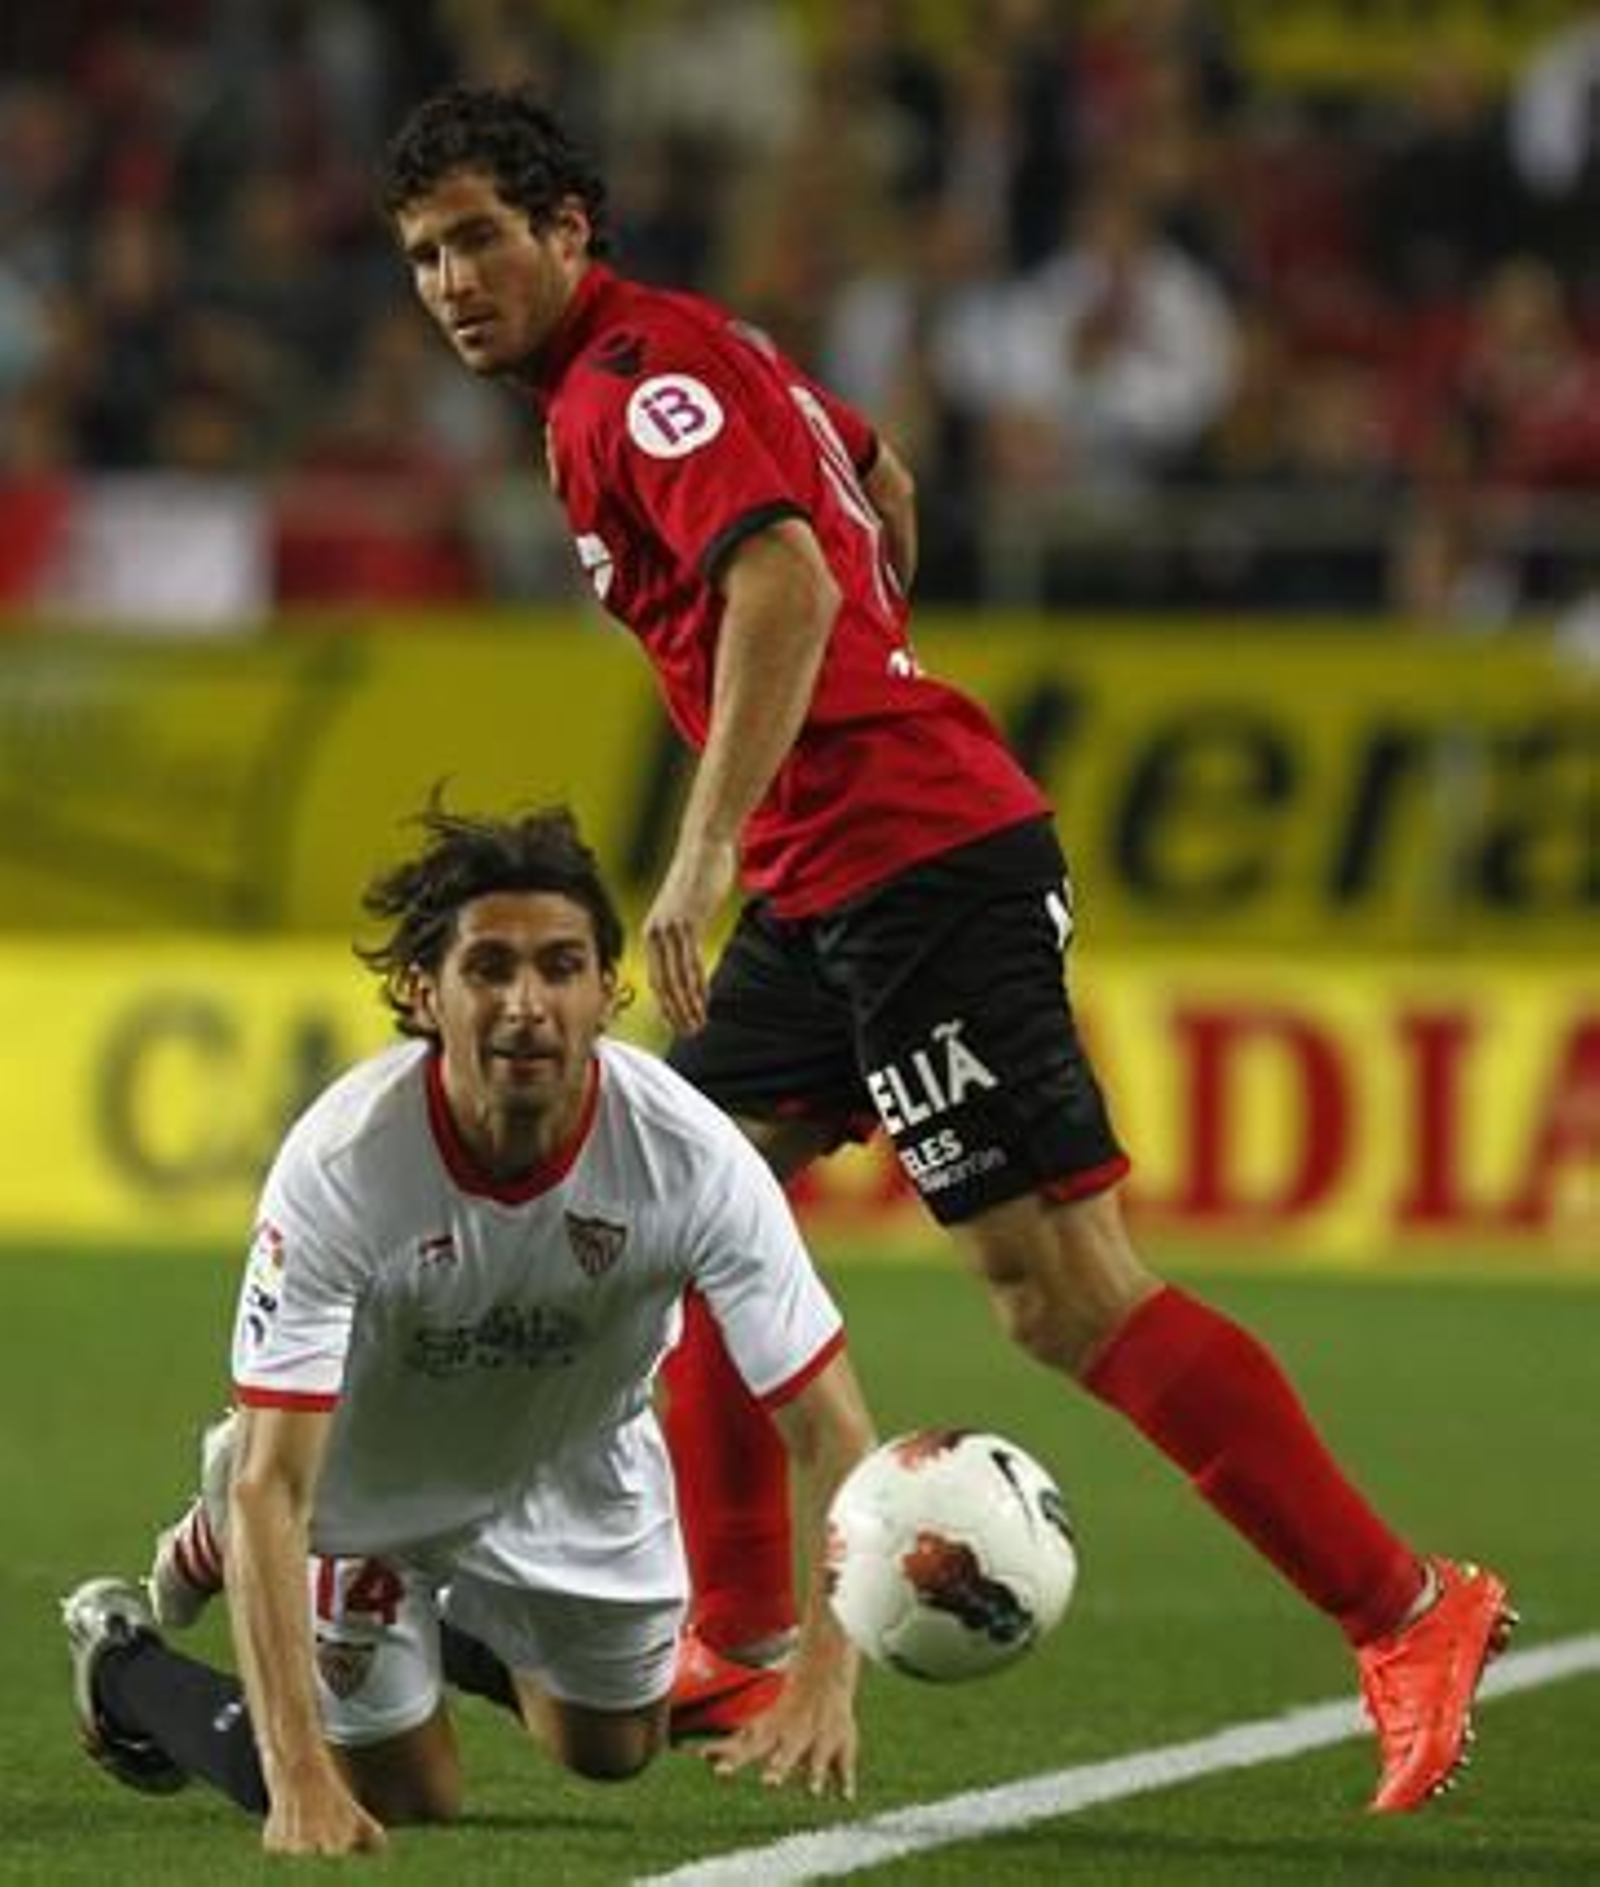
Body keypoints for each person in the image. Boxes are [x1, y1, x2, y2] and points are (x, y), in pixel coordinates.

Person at [178, 81, 1512, 1817]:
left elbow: (793, 575)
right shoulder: (684, 355)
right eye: (424, 254)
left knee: (1059, 1290)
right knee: (669, 1208)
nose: (449, 282)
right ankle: (730, 1633)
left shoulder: (628, 386)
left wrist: (717, 837)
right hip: (839, 876)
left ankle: (1408, 1608)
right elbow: (872, 472)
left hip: (913, 863)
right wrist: (857, 699)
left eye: (481, 239)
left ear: (569, 229)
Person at [61, 798, 875, 1857]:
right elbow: (279, 1484)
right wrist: (295, 1775)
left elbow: (832, 1432)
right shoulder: (345, 1164)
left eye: (559, 967)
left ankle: (434, 1618)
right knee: (401, 1797)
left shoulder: (692, 1157)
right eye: (489, 968)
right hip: (362, 1486)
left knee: (612, 1747)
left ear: (607, 991)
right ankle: (122, 1665)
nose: (526, 1004)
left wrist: (824, 1672)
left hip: (576, 1454)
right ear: (424, 994)